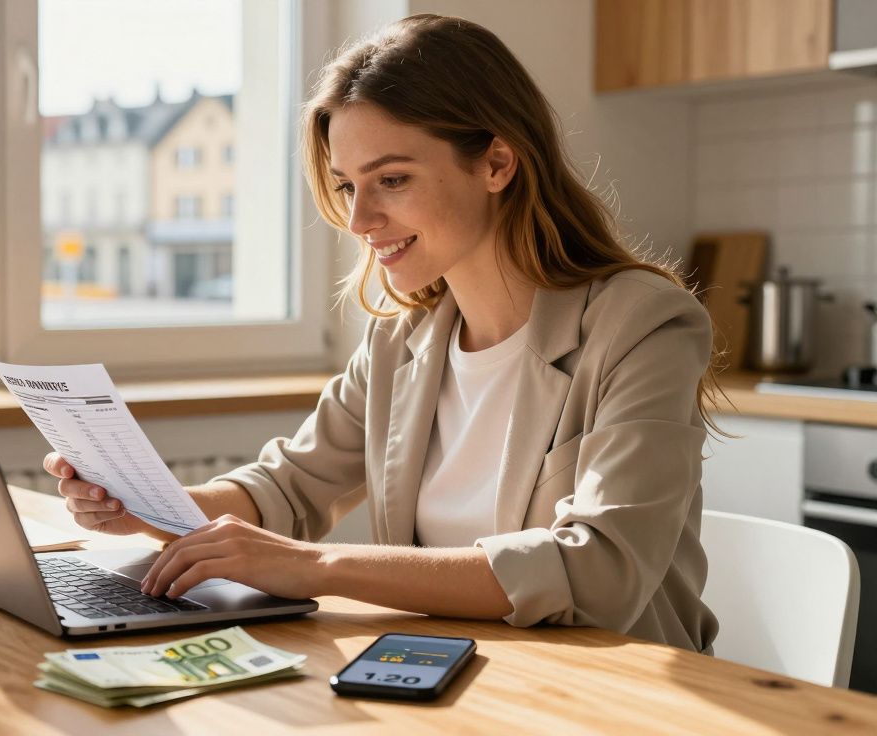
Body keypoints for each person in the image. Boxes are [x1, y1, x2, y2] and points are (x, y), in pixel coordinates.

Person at [43, 14, 720, 653]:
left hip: (610, 696)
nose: (361, 220)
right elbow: (286, 491)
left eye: (392, 179)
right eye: (346, 186)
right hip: (454, 675)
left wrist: (318, 566)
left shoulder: (644, 324)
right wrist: (145, 505)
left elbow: (599, 571)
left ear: (497, 164)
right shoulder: (403, 342)